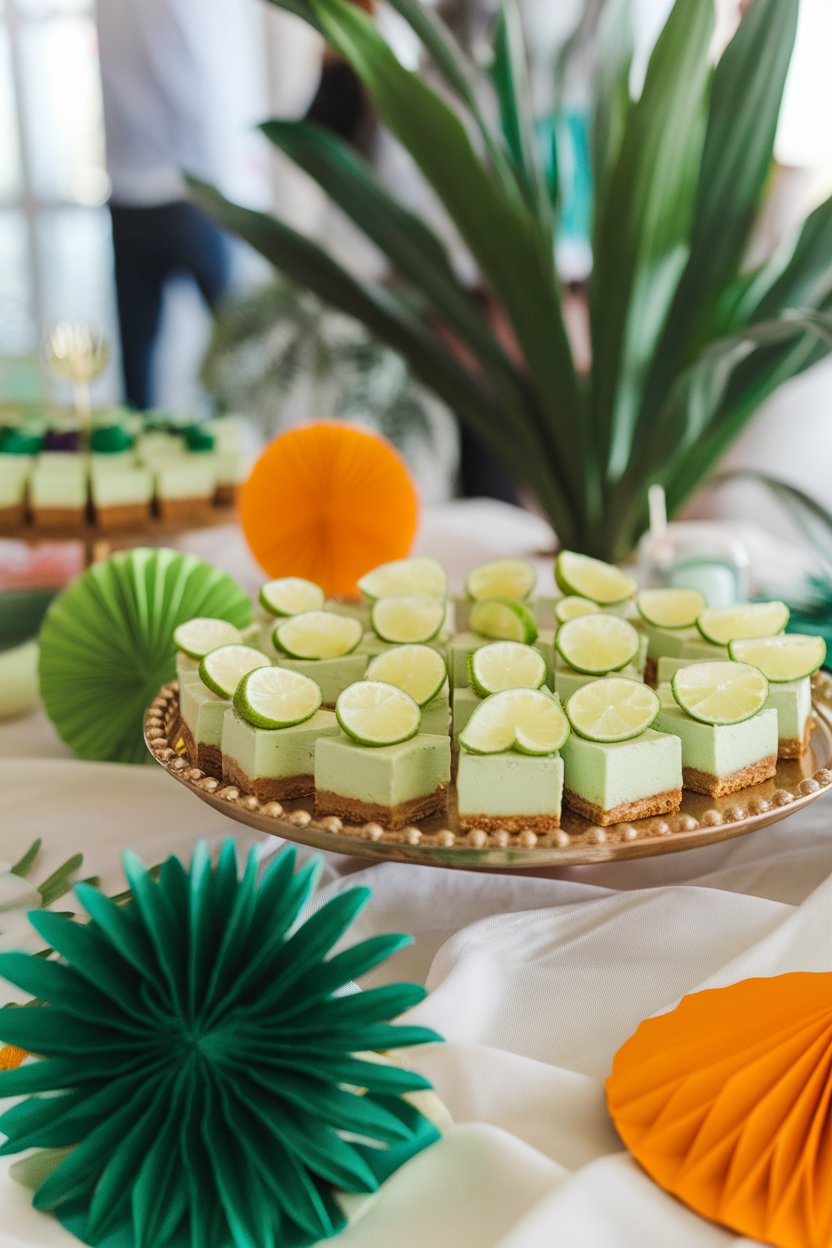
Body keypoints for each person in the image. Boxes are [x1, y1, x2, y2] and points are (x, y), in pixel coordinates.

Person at [96, 0, 262, 410]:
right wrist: (239, 185)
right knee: (240, 363)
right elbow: (211, 78)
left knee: (137, 372)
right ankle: (244, 464)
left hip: (127, 191)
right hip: (191, 192)